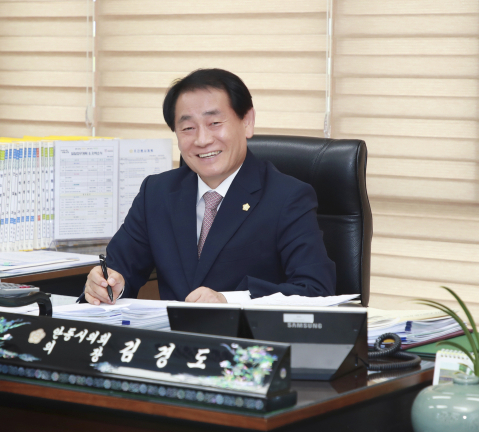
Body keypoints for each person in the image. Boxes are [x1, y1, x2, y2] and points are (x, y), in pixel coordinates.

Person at [83, 68, 335, 305]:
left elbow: (316, 290)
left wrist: (228, 301)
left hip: (247, 335)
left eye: (215, 123)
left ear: (247, 122)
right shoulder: (157, 193)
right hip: (171, 335)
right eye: (188, 128)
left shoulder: (287, 197)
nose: (202, 140)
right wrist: (106, 285)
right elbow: (119, 271)